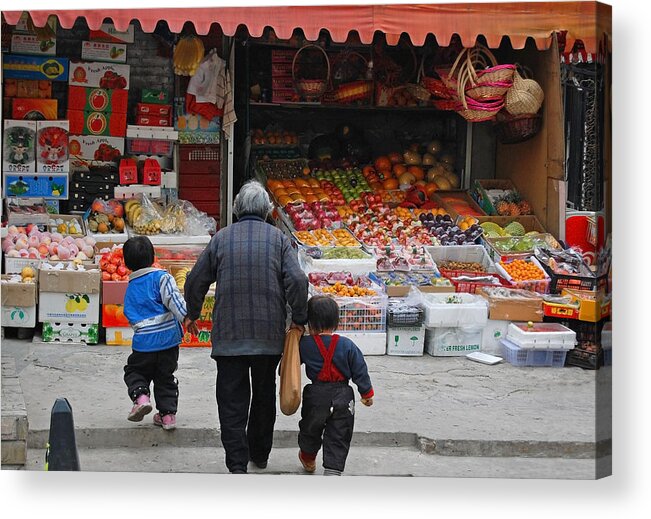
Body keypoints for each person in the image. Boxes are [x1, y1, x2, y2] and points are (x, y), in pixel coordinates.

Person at [183, 180, 308, 474]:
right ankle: (260, 454)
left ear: (237, 209)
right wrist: (298, 320)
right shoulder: (278, 240)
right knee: (264, 395)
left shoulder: (221, 238)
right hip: (268, 337)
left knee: (231, 400)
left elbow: (195, 279)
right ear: (267, 210)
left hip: (230, 336)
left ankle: (237, 463)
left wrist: (193, 312)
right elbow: (298, 281)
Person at [297, 296, 374, 476]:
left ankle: (308, 457)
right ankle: (333, 469)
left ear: (310, 322)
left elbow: (290, 366)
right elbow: (359, 368)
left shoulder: (304, 345)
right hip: (343, 395)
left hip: (315, 395)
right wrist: (366, 393)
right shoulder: (347, 345)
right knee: (340, 432)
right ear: (336, 322)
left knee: (310, 428)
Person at [122, 236, 188, 431]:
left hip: (143, 344)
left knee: (135, 371)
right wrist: (187, 318)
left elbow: (130, 314)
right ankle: (167, 416)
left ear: (127, 263)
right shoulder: (162, 277)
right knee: (165, 376)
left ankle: (141, 397)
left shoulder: (131, 287)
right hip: (168, 342)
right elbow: (174, 301)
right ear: (153, 257)